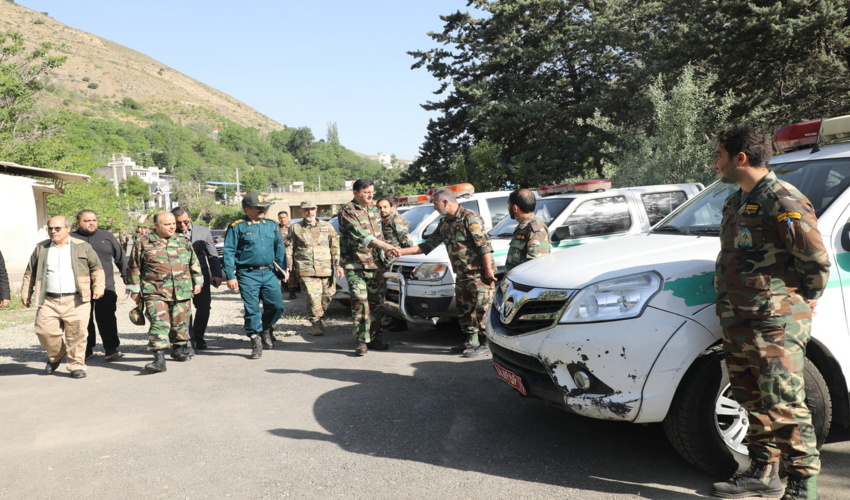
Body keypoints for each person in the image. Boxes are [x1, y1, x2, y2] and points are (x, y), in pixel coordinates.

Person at [711, 126, 830, 500]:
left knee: (784, 403)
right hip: (739, 319)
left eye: (719, 155)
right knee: (752, 400)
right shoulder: (735, 201)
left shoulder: (783, 199)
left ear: (740, 158)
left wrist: (805, 296)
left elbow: (815, 260)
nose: (715, 162)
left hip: (774, 322)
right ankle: (763, 473)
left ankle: (802, 486)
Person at [391, 187, 497, 358]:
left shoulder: (470, 218)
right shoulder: (445, 223)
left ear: (445, 202)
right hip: (461, 274)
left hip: (478, 273)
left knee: (482, 308)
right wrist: (401, 251)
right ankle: (471, 341)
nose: (434, 207)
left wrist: (488, 270)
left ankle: (486, 344)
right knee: (464, 310)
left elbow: (484, 246)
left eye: (435, 203)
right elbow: (427, 245)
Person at [21, 216, 105, 378]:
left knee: (77, 334)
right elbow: (29, 272)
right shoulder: (41, 248)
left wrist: (98, 287)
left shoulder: (82, 247)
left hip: (76, 300)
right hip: (48, 300)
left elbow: (96, 268)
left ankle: (76, 366)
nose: (53, 231)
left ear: (67, 229)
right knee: (43, 331)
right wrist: (26, 293)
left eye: (57, 228)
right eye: (50, 228)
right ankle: (56, 355)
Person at [127, 211, 203, 373]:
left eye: (173, 224)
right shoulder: (143, 242)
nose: (172, 227)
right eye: (167, 224)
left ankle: (178, 349)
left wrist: (198, 281)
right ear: (156, 226)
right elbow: (134, 267)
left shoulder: (183, 241)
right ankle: (159, 359)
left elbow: (193, 262)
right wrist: (134, 289)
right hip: (154, 291)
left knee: (180, 322)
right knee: (159, 323)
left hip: (182, 290)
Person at [222, 192, 286, 359]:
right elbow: (228, 252)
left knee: (277, 306)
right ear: (247, 209)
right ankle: (255, 339)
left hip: (269, 272)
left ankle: (265, 327)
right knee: (252, 310)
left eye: (263, 207)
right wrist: (230, 275)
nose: (262, 210)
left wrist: (283, 271)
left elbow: (279, 248)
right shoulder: (237, 227)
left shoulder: (270, 225)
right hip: (247, 273)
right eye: (258, 208)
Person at [338, 179, 398, 355]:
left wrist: (396, 247)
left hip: (376, 264)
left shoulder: (374, 209)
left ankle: (376, 338)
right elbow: (360, 234)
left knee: (376, 304)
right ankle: (361, 341)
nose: (371, 195)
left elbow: (389, 226)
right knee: (360, 302)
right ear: (356, 193)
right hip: (355, 264)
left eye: (372, 192)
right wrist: (385, 246)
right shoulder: (347, 210)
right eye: (366, 192)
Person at [71, 210, 127, 361]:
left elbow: (120, 259)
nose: (91, 223)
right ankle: (87, 349)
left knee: (107, 318)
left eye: (94, 220)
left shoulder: (107, 236)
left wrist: (128, 279)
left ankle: (111, 349)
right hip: (80, 288)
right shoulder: (71, 239)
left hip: (105, 287)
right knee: (83, 320)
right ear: (78, 222)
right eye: (87, 220)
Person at [286, 200, 342, 335]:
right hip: (306, 268)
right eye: (306, 209)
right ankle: (315, 323)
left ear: (316, 210)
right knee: (313, 296)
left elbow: (335, 247)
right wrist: (289, 268)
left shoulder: (327, 226)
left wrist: (338, 265)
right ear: (301, 211)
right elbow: (289, 248)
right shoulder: (295, 227)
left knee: (328, 295)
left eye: (311, 209)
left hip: (326, 268)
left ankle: (319, 317)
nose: (309, 212)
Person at [173, 206, 223, 350]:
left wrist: (217, 274)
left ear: (190, 218)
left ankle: (199, 335)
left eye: (185, 221)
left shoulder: (203, 231)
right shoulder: (169, 233)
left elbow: (212, 255)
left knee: (204, 308)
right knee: (183, 309)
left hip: (201, 277)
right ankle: (188, 339)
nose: (182, 225)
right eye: (178, 222)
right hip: (179, 278)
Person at [377, 196, 413, 331]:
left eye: (385, 207)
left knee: (395, 292)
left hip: (395, 262)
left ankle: (400, 322)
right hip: (385, 262)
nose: (381, 210)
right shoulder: (383, 220)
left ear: (393, 207)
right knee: (389, 292)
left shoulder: (397, 221)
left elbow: (407, 244)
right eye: (379, 207)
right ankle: (394, 320)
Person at [504, 189, 550, 273]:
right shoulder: (523, 227)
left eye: (509, 204)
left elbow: (536, 266)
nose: (508, 208)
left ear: (515, 208)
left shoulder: (535, 229)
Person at [278, 210, 297, 300]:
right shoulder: (276, 228)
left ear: (287, 217)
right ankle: (279, 291)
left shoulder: (292, 227)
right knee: (279, 273)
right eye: (280, 218)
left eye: (284, 217)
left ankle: (292, 292)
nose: (282, 219)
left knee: (291, 274)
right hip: (279, 254)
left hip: (290, 254)